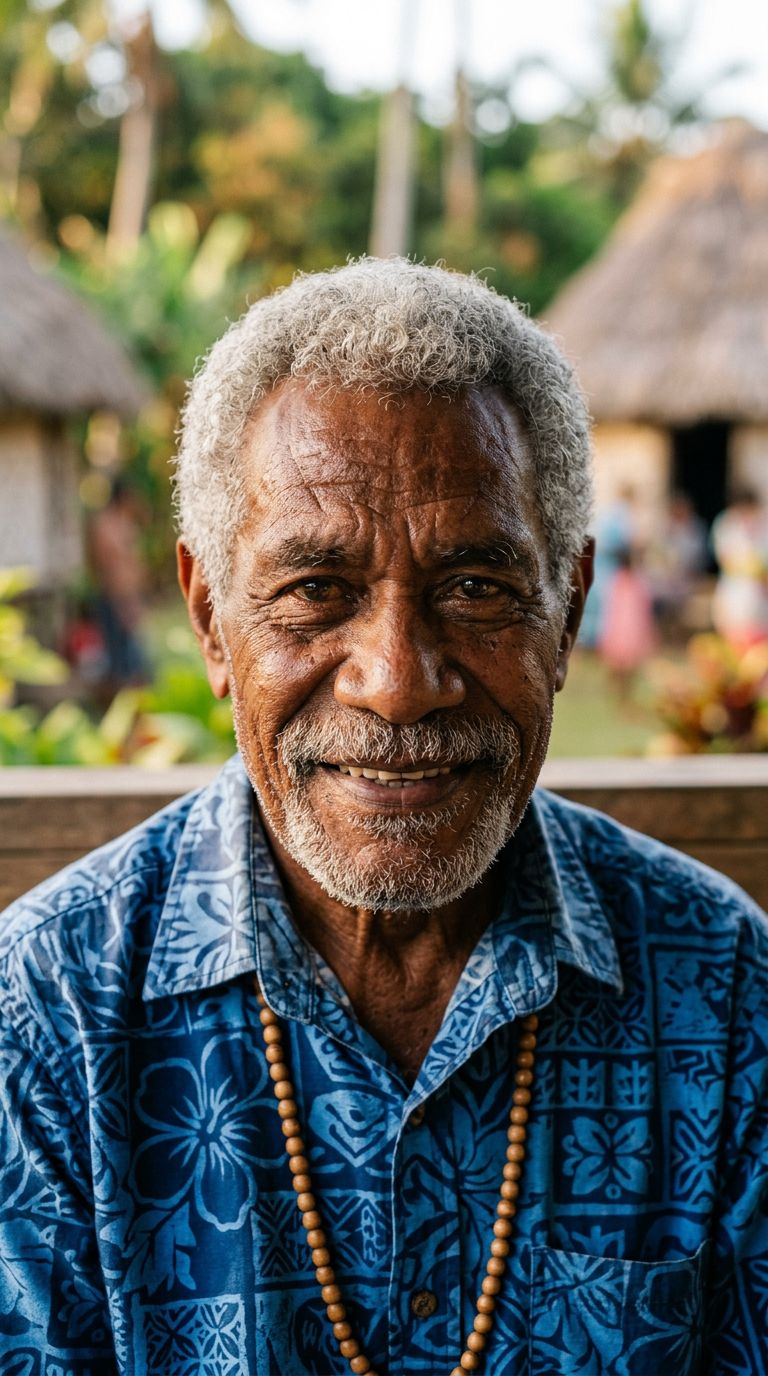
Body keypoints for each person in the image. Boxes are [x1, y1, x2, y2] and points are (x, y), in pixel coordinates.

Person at [1, 260, 766, 1376]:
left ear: (568, 614)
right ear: (211, 621)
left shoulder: (727, 988)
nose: (398, 682)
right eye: (315, 589)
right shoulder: (44, 1018)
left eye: (477, 587)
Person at [711, 488, 768, 650]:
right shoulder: (727, 524)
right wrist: (746, 567)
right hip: (734, 589)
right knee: (733, 635)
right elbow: (724, 557)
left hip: (759, 592)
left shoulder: (763, 525)